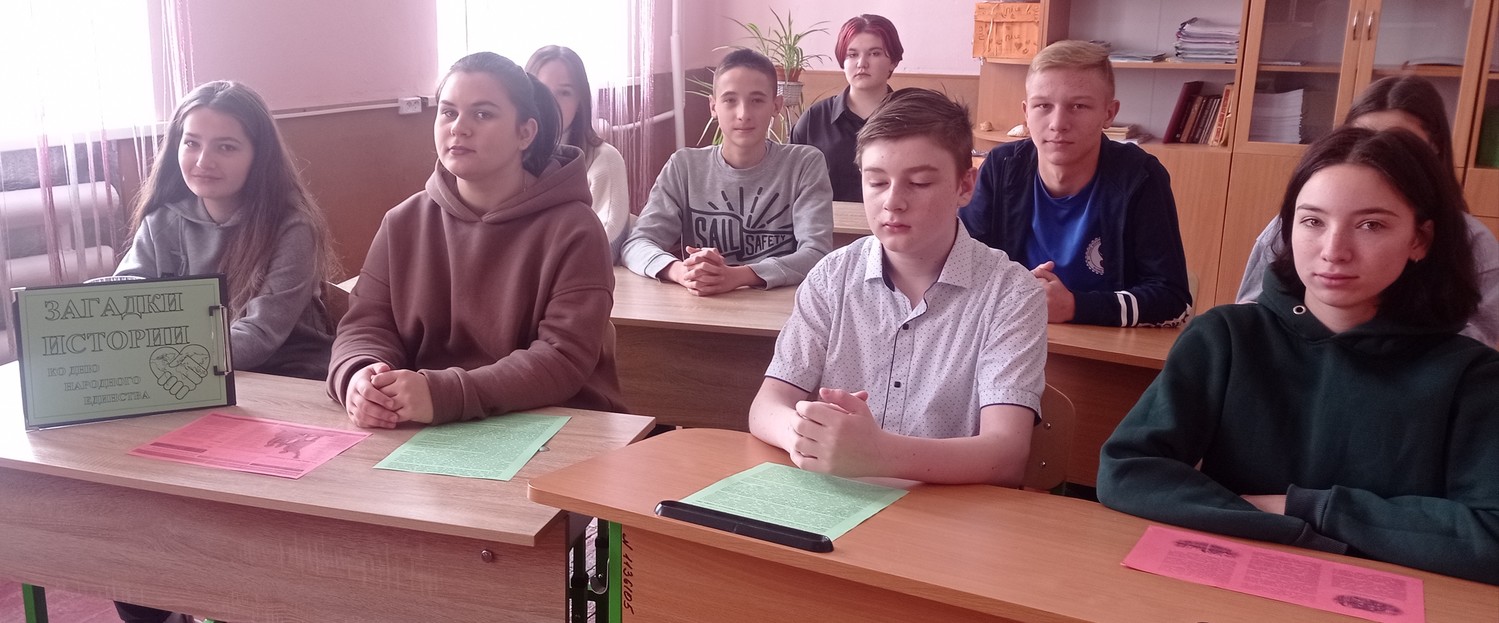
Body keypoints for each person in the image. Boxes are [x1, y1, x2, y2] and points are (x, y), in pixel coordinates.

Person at [1097, 127, 1499, 585]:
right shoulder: (1227, 337)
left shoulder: (1471, 377)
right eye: (1312, 221)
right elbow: (1128, 471)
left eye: (1371, 225)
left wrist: (1304, 507)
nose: (1334, 251)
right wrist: (1302, 530)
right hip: (1232, 589)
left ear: (1420, 239)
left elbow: (1490, 536)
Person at [111, 80, 336, 623]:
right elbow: (124, 299)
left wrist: (165, 357)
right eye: (191, 142)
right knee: (128, 528)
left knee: (242, 533)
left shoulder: (291, 224)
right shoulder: (163, 221)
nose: (203, 160)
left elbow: (260, 336)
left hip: (286, 388)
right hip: (196, 384)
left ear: (258, 156)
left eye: (226, 146)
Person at [749, 88, 1045, 486]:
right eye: (876, 182)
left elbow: (1007, 455)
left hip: (946, 510)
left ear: (965, 185)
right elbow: (766, 407)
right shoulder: (832, 277)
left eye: (919, 183)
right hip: (838, 498)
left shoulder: (1011, 294)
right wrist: (809, 438)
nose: (893, 202)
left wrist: (878, 454)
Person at [327, 52, 625, 428]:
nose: (459, 128)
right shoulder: (402, 222)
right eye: (448, 112)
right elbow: (365, 325)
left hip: (556, 422)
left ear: (525, 133)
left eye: (482, 114)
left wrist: (444, 394)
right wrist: (359, 375)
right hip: (429, 424)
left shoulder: (575, 229)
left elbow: (561, 357)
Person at [1236, 75, 1499, 345]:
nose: (1377, 154)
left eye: (1400, 145)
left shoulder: (1471, 238)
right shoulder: (1295, 222)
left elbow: (1483, 336)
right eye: (1362, 137)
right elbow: (1252, 307)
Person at [960, 40, 1191, 327]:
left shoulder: (1140, 176)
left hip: (1103, 346)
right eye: (1043, 105)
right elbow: (961, 265)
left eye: (1078, 106)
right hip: (1009, 334)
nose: (1058, 123)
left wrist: (1074, 306)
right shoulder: (1001, 167)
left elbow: (1173, 299)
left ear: (1109, 113)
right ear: (1026, 112)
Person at [621, 48, 833, 295]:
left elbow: (817, 254)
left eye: (757, 100)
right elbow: (637, 244)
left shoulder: (804, 164)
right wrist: (683, 272)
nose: (743, 114)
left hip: (780, 309)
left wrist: (738, 276)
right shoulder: (684, 166)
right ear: (713, 106)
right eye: (730, 100)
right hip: (702, 306)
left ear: (776, 106)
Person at [526, 45, 631, 260]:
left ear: (580, 102)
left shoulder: (604, 159)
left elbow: (608, 241)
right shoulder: (507, 157)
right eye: (541, 92)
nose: (551, 104)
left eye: (565, 93)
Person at [790, 14, 903, 202]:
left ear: (893, 61)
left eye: (874, 53)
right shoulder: (814, 119)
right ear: (842, 61)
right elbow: (791, 184)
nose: (862, 63)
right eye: (852, 55)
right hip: (827, 220)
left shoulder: (911, 119)